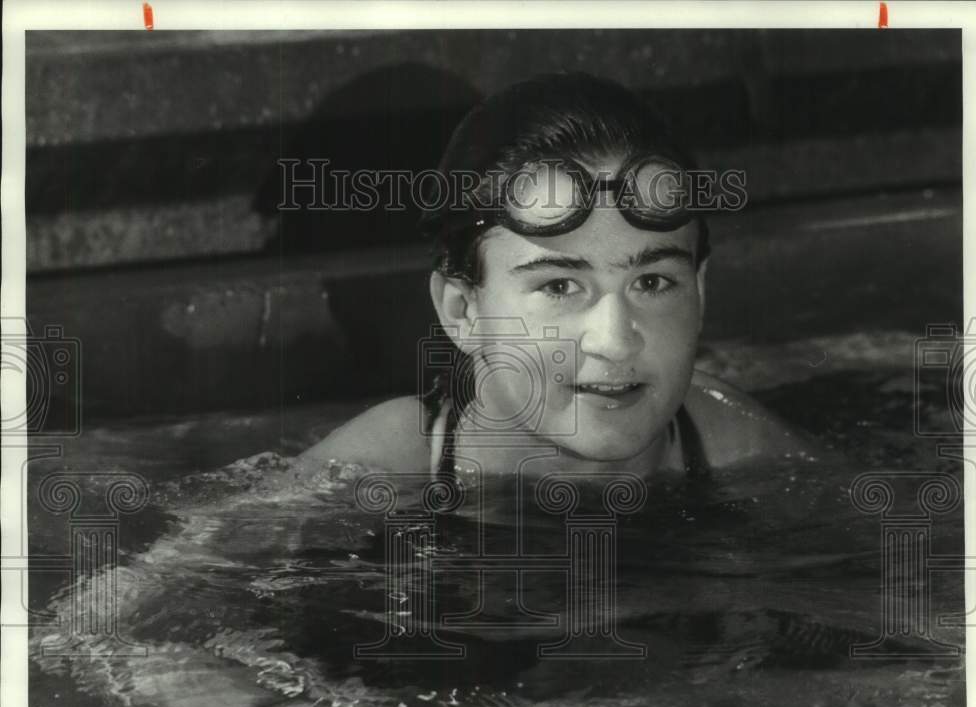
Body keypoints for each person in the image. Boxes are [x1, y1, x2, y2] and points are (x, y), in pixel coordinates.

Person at [299, 72, 813, 479]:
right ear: (462, 310)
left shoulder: (750, 455)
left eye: (652, 282)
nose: (614, 343)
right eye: (559, 286)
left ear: (699, 289)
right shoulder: (380, 470)